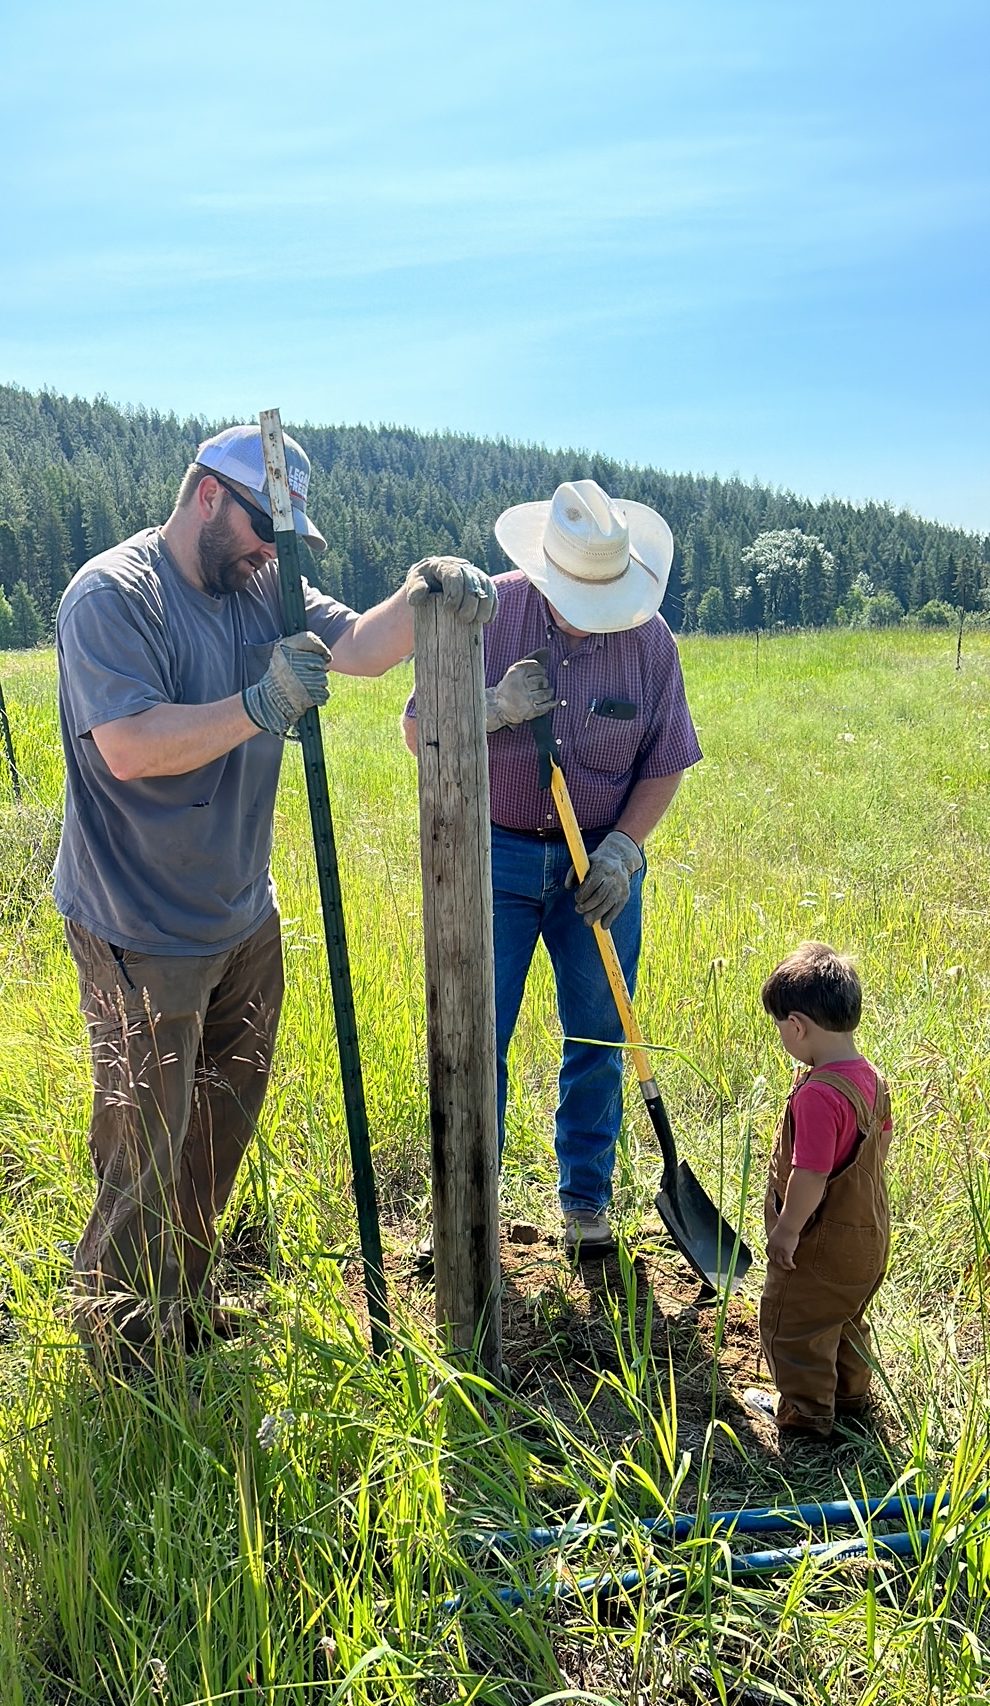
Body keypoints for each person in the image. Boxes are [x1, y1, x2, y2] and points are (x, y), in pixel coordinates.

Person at [54, 422, 495, 1372]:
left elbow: (367, 651)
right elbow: (127, 747)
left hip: (240, 915)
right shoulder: (114, 596)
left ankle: (180, 1296)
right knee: (145, 1143)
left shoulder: (262, 584)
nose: (272, 554)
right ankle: (122, 1350)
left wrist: (432, 594)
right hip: (140, 923)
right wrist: (258, 705)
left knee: (219, 1121)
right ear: (208, 495)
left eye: (286, 544)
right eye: (264, 529)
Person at [403, 479, 702, 1257]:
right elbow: (415, 731)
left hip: (594, 863)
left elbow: (666, 759)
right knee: (473, 1034)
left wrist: (625, 848)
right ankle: (465, 1210)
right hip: (490, 854)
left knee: (601, 1035)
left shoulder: (649, 642)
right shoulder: (484, 617)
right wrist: (490, 706)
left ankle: (585, 1206)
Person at [744, 942, 893, 1441]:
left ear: (798, 1025)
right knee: (845, 1318)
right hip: (868, 1235)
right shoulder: (871, 1078)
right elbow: (882, 1142)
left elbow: (809, 1175)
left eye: (780, 1027)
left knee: (796, 1327)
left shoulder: (818, 1096)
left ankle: (807, 1418)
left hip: (820, 1243)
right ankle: (850, 1397)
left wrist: (787, 1232)